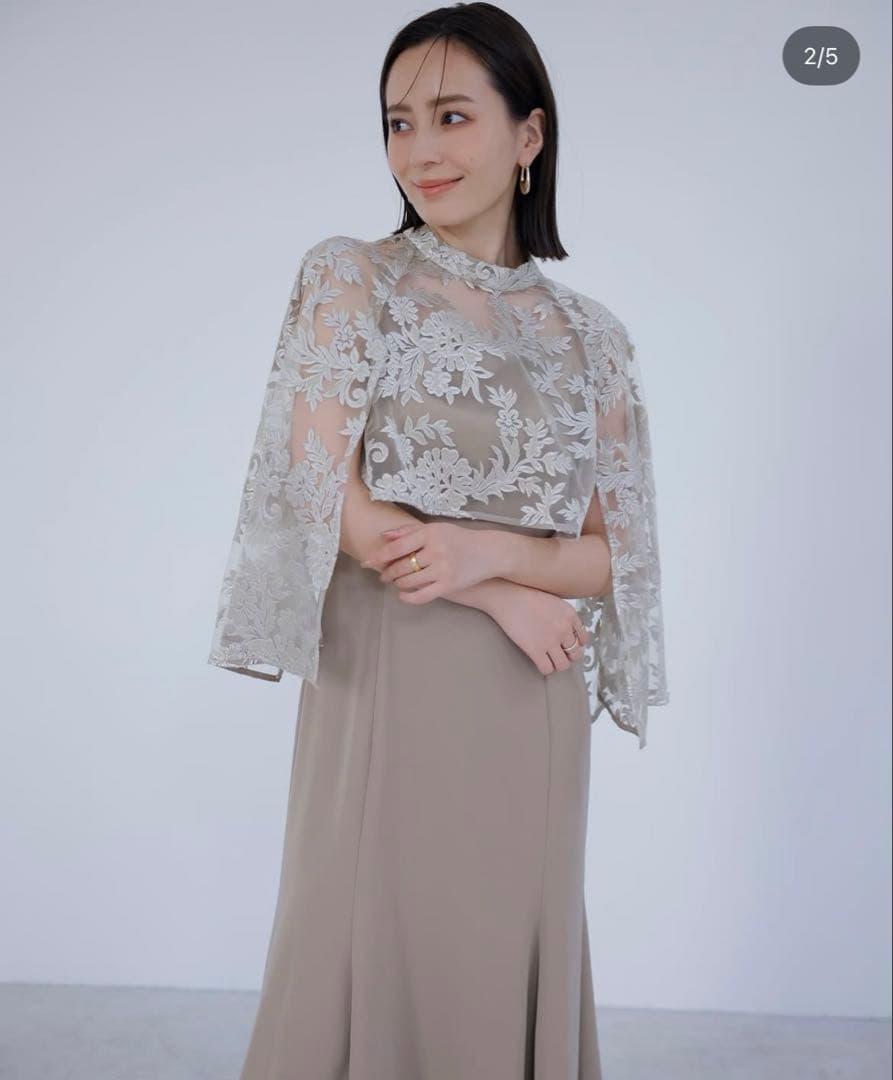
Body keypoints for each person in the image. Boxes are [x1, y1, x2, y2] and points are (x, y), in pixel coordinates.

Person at [207, 4, 669, 1077]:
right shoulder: (353, 277)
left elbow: (612, 554)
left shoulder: (592, 336)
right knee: (365, 925)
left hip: (531, 696)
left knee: (505, 944)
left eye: (452, 116)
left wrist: (496, 558)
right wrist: (485, 585)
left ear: (528, 134)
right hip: (392, 665)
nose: (420, 149)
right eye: (398, 121)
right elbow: (323, 491)